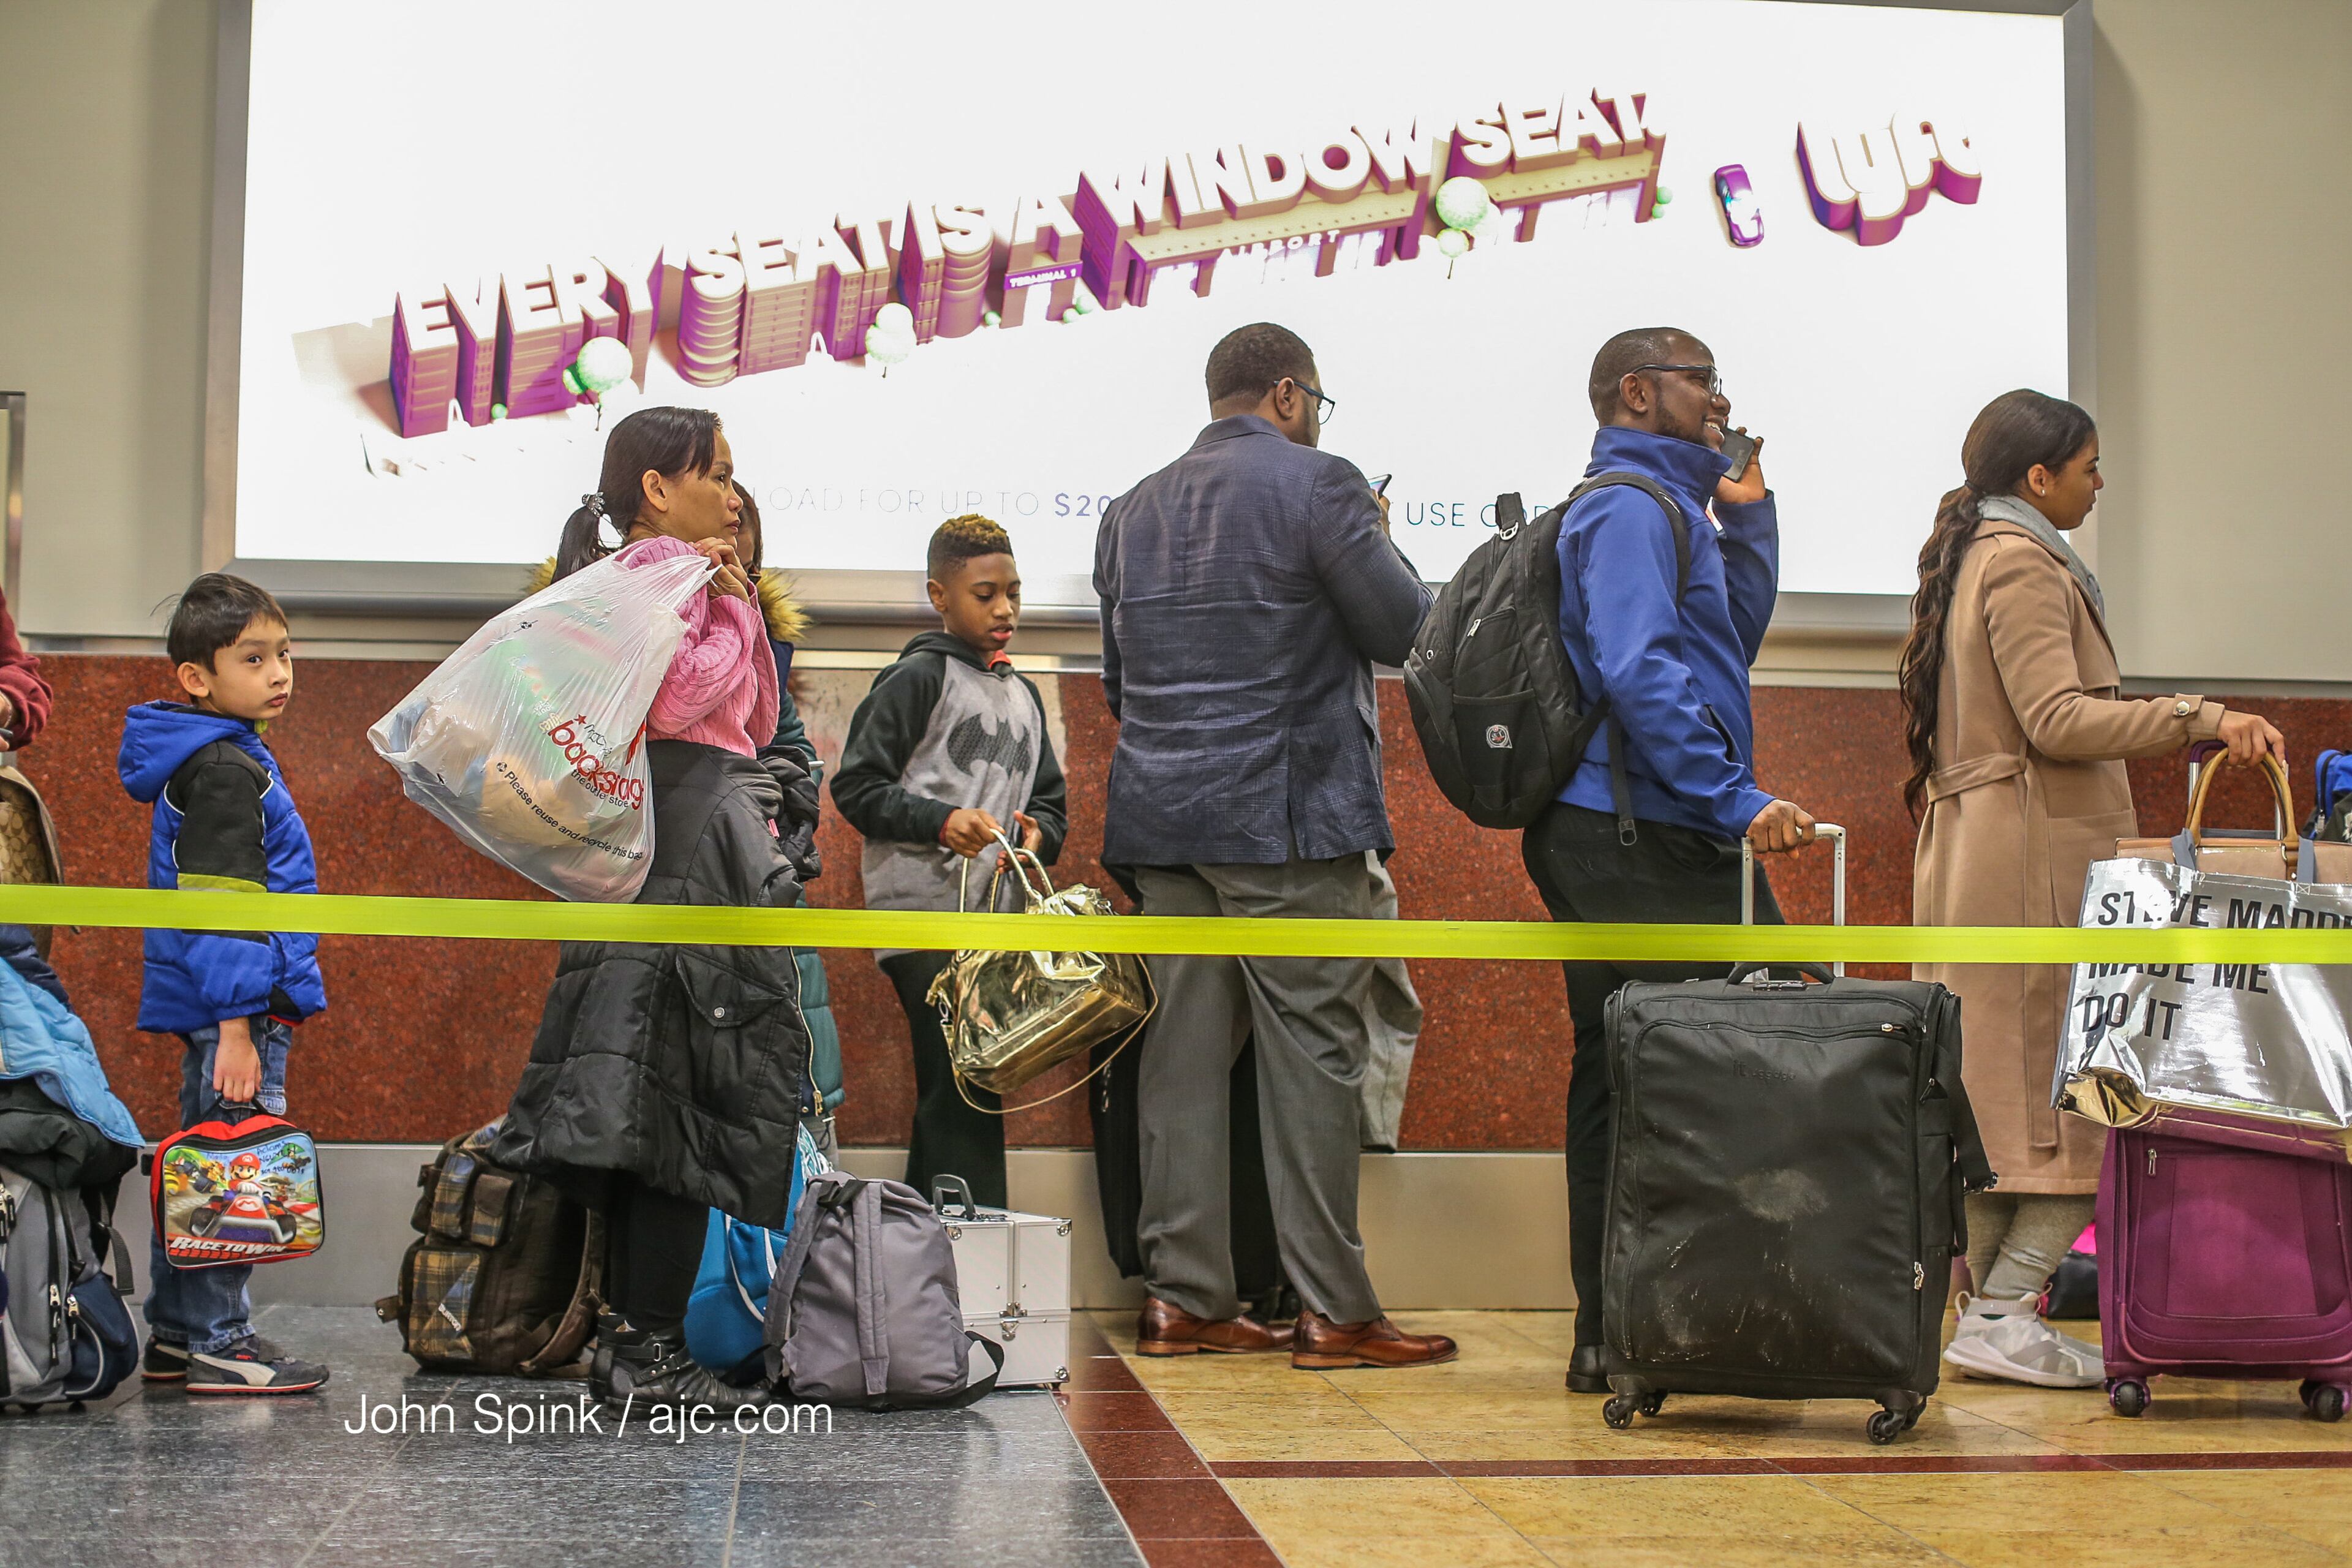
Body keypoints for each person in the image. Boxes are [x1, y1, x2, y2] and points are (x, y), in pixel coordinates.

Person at [1903, 388, 2284, 1387]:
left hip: (1987, 853)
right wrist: (2198, 716)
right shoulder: (2023, 563)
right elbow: (2059, 720)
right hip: (2031, 861)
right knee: (2083, 1101)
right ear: (2039, 477)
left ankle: (1991, 1317)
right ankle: (2000, 1313)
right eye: (2089, 467)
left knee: (1999, 1110)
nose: (2101, 482)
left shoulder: (1975, 554)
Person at [1097, 322, 1453, 1371]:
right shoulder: (1323, 485)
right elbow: (1407, 631)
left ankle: (1184, 1300)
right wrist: (1380, 536)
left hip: (1164, 822)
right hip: (1285, 822)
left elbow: (1121, 684)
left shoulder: (1129, 510)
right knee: (1315, 1060)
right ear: (1290, 396)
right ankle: (1334, 1311)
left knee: (1181, 1063)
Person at [495, 406, 813, 1415]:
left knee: (660, 1107)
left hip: (686, 847)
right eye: (714, 474)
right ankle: (648, 1349)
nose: (732, 495)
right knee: (677, 1105)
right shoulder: (646, 577)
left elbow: (756, 720)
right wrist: (724, 608)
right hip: (675, 850)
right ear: (656, 490)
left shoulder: (691, 580)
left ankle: (638, 1346)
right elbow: (677, 705)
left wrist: (739, 604)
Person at [1520, 326, 1815, 1394]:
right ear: (1639, 393)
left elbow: (1726, 641)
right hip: (1634, 830)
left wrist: (1750, 519)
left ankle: (1620, 1332)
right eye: (1704, 382)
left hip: (1641, 823)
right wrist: (1736, 800)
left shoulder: (1672, 509)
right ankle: (1659, 1324)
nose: (1721, 401)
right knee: (1748, 1048)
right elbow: (1640, 672)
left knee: (1625, 1072)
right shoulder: (1626, 510)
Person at [117, 573, 328, 1394]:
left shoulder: (222, 755)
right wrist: (239, 1025)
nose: (279, 673)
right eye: (254, 658)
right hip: (233, 1008)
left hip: (218, 1005)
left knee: (203, 1158)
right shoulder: (223, 769)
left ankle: (177, 1334)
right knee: (234, 1172)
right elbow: (225, 904)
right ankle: (221, 1342)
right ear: (196, 678)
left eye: (284, 654)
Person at [830, 514, 1067, 1209]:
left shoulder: (1023, 694)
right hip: (924, 918)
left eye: (1014, 593)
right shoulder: (916, 678)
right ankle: (960, 1242)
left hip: (995, 923)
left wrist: (1040, 836)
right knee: (963, 1081)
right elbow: (856, 787)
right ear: (940, 595)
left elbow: (1050, 801)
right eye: (985, 594)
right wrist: (941, 820)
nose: (1005, 609)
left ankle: (932, 1239)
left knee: (968, 1085)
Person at [735, 484, 844, 1159]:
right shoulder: (633, 630)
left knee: (800, 1107)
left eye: (745, 568)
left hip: (768, 882)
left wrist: (790, 803)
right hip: (676, 892)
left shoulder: (767, 647)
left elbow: (795, 750)